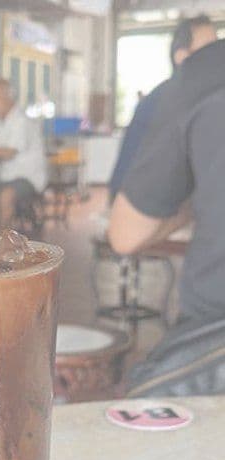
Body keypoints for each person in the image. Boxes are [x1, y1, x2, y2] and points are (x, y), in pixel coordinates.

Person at [109, 37, 225, 324]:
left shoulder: (205, 72)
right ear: (180, 54)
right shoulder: (163, 97)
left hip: (213, 326)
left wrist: (201, 203)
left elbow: (126, 235)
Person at [109, 15, 217, 201]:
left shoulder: (208, 101)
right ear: (182, 57)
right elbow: (125, 185)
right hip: (143, 208)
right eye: (209, 51)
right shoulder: (159, 105)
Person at [0, 79, 47, 233]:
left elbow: (9, 153)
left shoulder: (22, 121)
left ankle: (1, 239)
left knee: (6, 196)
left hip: (27, 178)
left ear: (7, 98)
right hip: (4, 177)